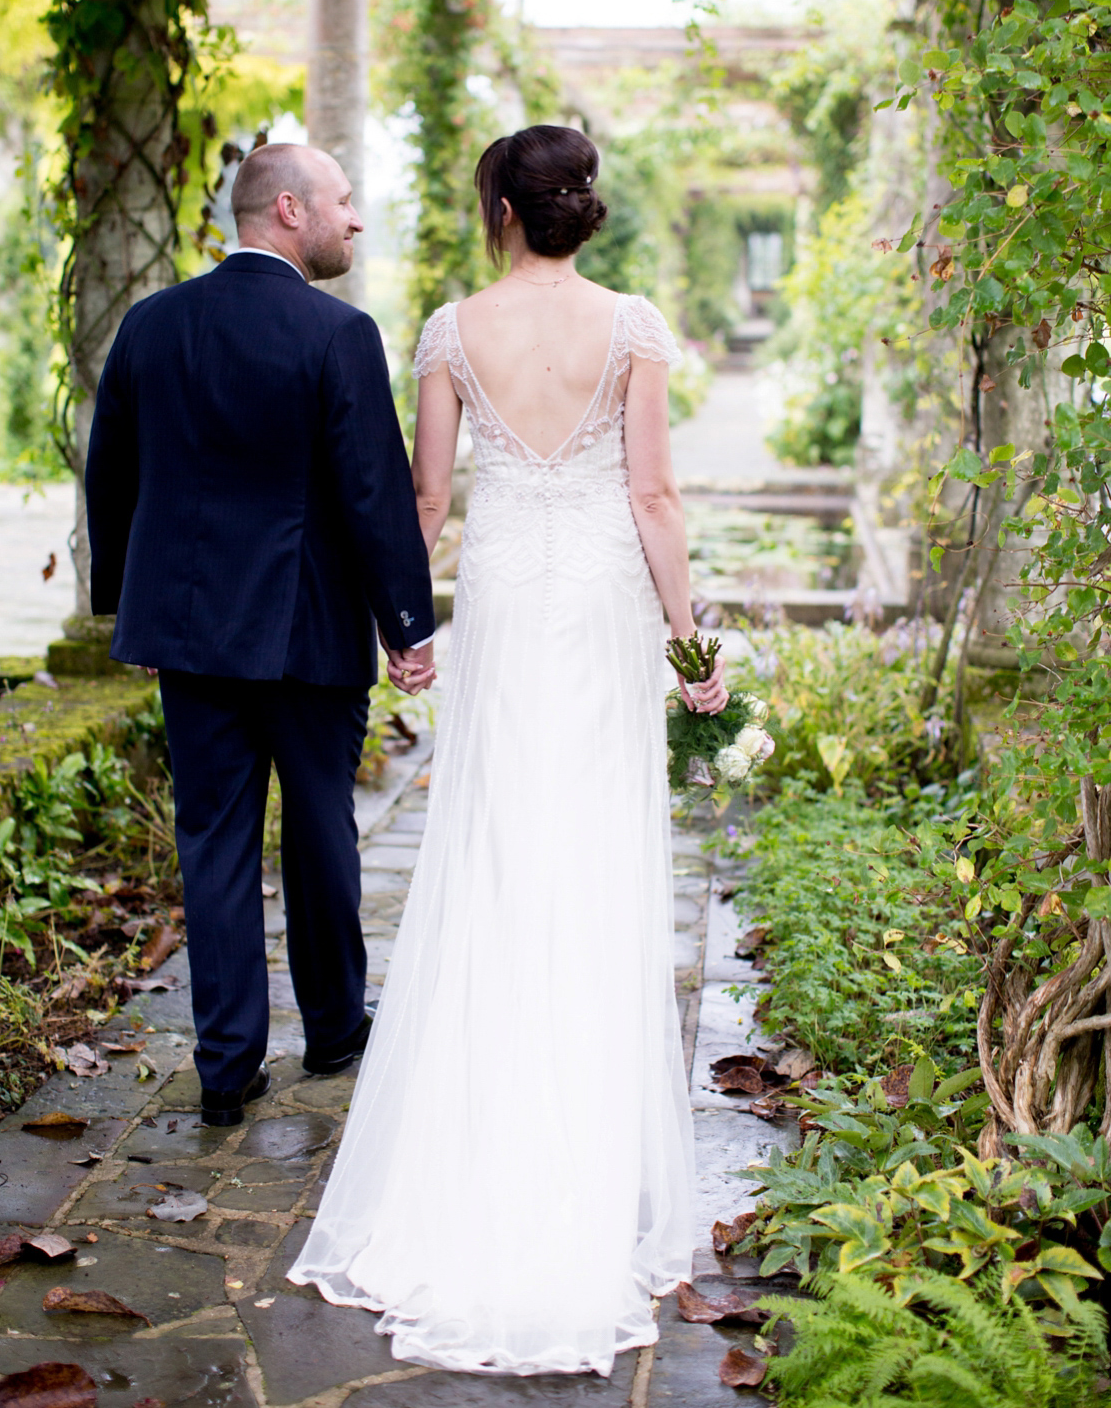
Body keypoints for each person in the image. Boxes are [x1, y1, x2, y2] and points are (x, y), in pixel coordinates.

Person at [288, 124, 727, 1375]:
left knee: (492, 851)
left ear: (500, 209)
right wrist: (689, 638)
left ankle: (474, 1140)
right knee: (592, 852)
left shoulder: (447, 328)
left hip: (504, 603)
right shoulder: (632, 325)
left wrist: (405, 631)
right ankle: (584, 1140)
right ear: (579, 210)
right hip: (595, 602)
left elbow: (423, 501)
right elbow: (652, 496)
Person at [84, 142, 436, 1129]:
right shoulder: (338, 331)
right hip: (308, 631)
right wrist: (405, 622)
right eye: (343, 201)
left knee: (215, 843)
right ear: (288, 209)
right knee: (322, 830)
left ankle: (227, 1062)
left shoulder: (151, 325)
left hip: (189, 634)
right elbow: (373, 493)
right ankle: (332, 1028)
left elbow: (110, 474)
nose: (354, 219)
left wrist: (131, 607)